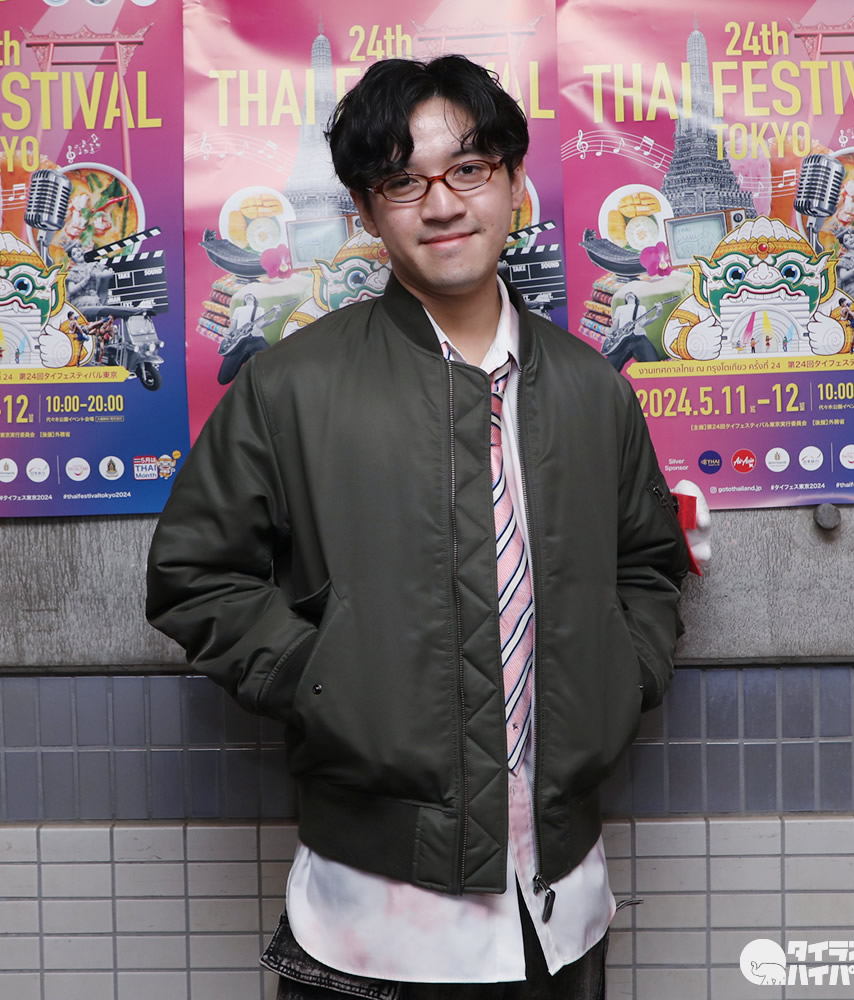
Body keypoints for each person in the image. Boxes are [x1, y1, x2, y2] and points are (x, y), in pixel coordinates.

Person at [146, 55, 689, 998]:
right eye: (402, 181)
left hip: (562, 908)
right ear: (367, 210)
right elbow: (194, 575)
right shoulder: (292, 386)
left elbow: (648, 564)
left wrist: (626, 671)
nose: (442, 204)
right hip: (371, 921)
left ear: (513, 182)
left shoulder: (592, 388)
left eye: (469, 169)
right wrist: (325, 681)